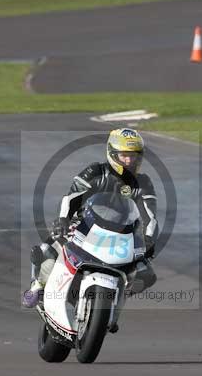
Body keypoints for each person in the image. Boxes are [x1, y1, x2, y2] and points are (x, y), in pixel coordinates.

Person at [22, 128, 158, 309]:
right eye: (125, 155)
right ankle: (38, 285)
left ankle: (114, 300)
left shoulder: (143, 183)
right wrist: (64, 219)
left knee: (147, 274)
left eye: (134, 156)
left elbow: (150, 217)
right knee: (50, 248)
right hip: (85, 225)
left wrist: (149, 240)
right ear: (112, 153)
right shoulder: (96, 171)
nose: (129, 161)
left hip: (122, 235)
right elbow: (72, 198)